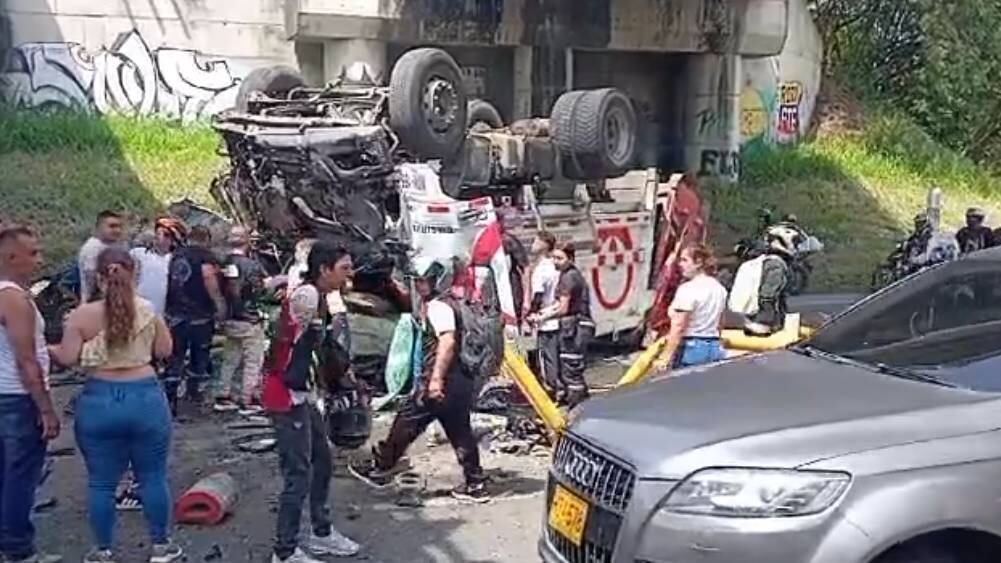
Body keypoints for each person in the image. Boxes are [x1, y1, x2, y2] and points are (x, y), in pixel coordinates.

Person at [47, 248, 181, 563]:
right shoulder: (147, 310)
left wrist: (47, 349)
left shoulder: (81, 315)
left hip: (99, 399)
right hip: (145, 398)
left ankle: (103, 551)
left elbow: (67, 358)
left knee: (101, 482)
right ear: (134, 274)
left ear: (98, 276)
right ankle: (161, 547)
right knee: (152, 476)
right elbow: (164, 350)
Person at [349, 256, 489, 502]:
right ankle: (475, 482)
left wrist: (435, 380)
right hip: (459, 380)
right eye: (417, 280)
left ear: (437, 280)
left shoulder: (438, 307)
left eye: (424, 281)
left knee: (406, 421)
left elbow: (447, 341)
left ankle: (381, 469)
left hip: (440, 380)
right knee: (459, 431)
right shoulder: (452, 303)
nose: (419, 285)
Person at [260, 241, 360, 563]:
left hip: (302, 393)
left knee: (322, 462)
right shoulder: (308, 296)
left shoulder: (319, 296)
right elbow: (307, 345)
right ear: (324, 269)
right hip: (285, 395)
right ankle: (284, 552)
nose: (349, 274)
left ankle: (321, 533)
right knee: (298, 474)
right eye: (343, 268)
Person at [0, 226, 61, 563]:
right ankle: (19, 550)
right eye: (33, 253)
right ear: (12, 257)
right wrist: (46, 409)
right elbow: (26, 360)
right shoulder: (14, 298)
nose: (40, 260)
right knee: (21, 476)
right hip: (16, 397)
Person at [164, 225, 226, 409]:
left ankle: (170, 397)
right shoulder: (205, 257)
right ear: (206, 239)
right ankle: (193, 395)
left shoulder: (176, 255)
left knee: (175, 355)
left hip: (175, 314)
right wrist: (219, 303)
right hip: (200, 315)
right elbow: (208, 278)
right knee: (199, 355)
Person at [217, 226, 278, 411]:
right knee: (253, 361)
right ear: (247, 241)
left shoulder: (223, 262)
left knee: (230, 359)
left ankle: (223, 395)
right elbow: (259, 292)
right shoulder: (251, 266)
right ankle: (248, 398)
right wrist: (271, 284)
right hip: (249, 319)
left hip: (229, 318)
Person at [529, 243, 594, 407]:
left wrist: (542, 318)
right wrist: (543, 314)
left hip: (575, 328)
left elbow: (563, 308)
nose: (555, 262)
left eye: (560, 258)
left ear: (571, 259)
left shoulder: (568, 278)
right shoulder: (570, 275)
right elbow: (559, 304)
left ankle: (577, 409)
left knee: (571, 373)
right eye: (553, 258)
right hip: (578, 326)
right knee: (571, 372)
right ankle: (581, 405)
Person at [654, 244, 727, 370]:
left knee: (684, 388)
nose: (680, 265)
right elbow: (720, 321)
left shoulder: (688, 289)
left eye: (684, 260)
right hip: (713, 347)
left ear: (698, 262)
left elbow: (679, 326)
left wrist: (665, 357)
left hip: (691, 349)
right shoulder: (719, 289)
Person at [743, 225, 797, 336]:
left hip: (755, 319)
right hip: (763, 325)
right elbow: (767, 295)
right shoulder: (776, 265)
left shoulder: (767, 261)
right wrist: (765, 321)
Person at [526, 231, 561, 397]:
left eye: (536, 241)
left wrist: (532, 313)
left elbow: (538, 294)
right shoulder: (554, 266)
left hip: (545, 321)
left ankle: (551, 391)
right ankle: (558, 388)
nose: (532, 244)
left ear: (544, 245)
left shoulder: (541, 270)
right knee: (555, 356)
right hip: (557, 317)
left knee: (547, 359)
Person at [131, 217, 186, 317]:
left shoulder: (176, 260)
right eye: (157, 233)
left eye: (166, 235)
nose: (160, 237)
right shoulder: (138, 253)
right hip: (138, 310)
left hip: (163, 314)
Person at [79, 210, 126, 303]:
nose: (117, 230)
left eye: (119, 227)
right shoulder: (92, 248)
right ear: (99, 228)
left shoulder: (113, 246)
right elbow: (92, 280)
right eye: (112, 226)